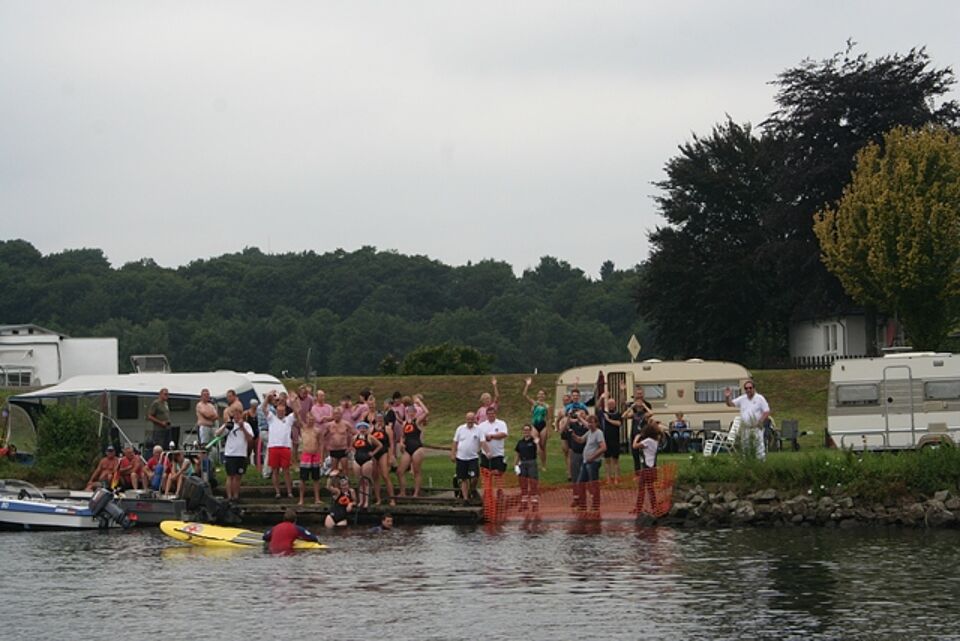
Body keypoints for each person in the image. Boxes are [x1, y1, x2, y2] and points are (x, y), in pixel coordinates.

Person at [725, 380, 771, 460]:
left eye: (750, 388)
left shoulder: (760, 398)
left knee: (758, 448)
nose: (748, 390)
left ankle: (760, 463)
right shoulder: (742, 399)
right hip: (745, 428)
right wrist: (727, 397)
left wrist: (760, 421)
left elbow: (766, 411)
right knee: (745, 448)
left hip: (756, 428)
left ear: (754, 388)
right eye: (746, 388)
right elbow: (730, 404)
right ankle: (747, 464)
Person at [215, 409, 254, 501]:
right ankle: (229, 497)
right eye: (234, 415)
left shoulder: (246, 425)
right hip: (230, 454)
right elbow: (217, 434)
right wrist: (225, 425)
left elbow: (250, 438)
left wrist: (243, 428)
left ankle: (236, 496)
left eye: (238, 415)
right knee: (230, 476)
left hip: (241, 454)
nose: (236, 417)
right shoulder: (229, 425)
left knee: (238, 476)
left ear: (241, 415)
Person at [265, 392, 296, 500]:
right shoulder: (271, 418)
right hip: (273, 447)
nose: (280, 413)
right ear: (276, 411)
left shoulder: (289, 419)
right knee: (275, 470)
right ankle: (277, 492)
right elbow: (264, 409)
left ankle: (289, 492)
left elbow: (297, 412)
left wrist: (293, 402)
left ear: (285, 411)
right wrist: (267, 398)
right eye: (279, 411)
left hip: (285, 447)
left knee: (286, 471)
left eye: (282, 411)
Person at [571, 414, 606, 511]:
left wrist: (593, 457)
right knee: (580, 483)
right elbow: (581, 440)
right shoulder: (589, 432)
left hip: (593, 462)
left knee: (593, 484)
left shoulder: (598, 433)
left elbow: (603, 447)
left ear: (596, 423)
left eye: (592, 422)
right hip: (586, 461)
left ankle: (595, 506)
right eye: (589, 422)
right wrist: (573, 435)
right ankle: (582, 505)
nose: (590, 424)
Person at [451, 411, 483, 503]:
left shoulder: (478, 429)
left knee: (474, 477)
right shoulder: (460, 429)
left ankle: (472, 489)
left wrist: (482, 450)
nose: (470, 421)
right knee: (463, 478)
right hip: (461, 457)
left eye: (472, 419)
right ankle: (465, 498)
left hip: (473, 457)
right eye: (468, 419)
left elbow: (482, 441)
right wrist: (453, 453)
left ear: (474, 419)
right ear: (466, 419)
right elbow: (455, 442)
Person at [397, 401, 427, 497]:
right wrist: (401, 443)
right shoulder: (404, 423)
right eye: (409, 412)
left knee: (416, 471)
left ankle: (416, 493)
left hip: (417, 447)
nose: (411, 413)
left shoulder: (417, 421)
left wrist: (419, 402)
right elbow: (402, 436)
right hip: (407, 448)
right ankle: (403, 492)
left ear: (415, 412)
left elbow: (426, 412)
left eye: (412, 412)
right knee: (400, 471)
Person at [351, 421, 382, 508]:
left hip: (367, 460)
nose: (362, 430)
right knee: (360, 481)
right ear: (358, 429)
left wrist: (373, 453)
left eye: (364, 428)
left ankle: (366, 500)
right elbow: (351, 446)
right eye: (361, 428)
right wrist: (354, 453)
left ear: (367, 429)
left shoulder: (370, 437)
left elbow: (380, 445)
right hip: (357, 459)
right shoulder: (355, 437)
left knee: (366, 481)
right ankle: (361, 500)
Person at [522, 377, 551, 471]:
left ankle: (544, 465)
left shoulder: (547, 406)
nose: (541, 395)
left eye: (542, 394)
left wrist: (549, 430)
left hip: (543, 426)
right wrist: (527, 384)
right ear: (537, 395)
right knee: (536, 443)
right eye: (539, 394)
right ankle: (535, 463)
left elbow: (549, 419)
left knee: (543, 446)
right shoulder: (534, 403)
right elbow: (524, 395)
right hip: (534, 425)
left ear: (545, 396)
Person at [632, 419, 660, 513]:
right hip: (652, 467)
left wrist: (636, 437)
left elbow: (634, 446)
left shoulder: (648, 441)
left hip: (647, 467)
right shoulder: (655, 441)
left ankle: (639, 507)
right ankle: (654, 506)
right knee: (650, 488)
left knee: (642, 488)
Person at [623, 388, 653, 474]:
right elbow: (624, 408)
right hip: (634, 434)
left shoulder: (647, 406)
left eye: (641, 393)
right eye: (638, 394)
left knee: (645, 455)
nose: (639, 395)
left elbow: (651, 413)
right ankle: (637, 474)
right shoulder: (634, 410)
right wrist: (622, 391)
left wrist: (644, 405)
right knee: (635, 454)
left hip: (644, 434)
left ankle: (646, 472)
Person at [324, 406, 356, 478]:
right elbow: (323, 436)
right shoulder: (329, 425)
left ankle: (345, 482)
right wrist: (326, 445)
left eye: (338, 414)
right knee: (334, 470)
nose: (336, 415)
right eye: (335, 414)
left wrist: (350, 446)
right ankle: (335, 483)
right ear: (333, 415)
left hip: (343, 449)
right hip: (333, 449)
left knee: (345, 469)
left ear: (341, 415)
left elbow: (355, 434)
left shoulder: (346, 424)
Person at [513, 424, 540, 511]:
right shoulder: (520, 442)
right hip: (522, 463)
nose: (526, 432)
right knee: (523, 483)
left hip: (531, 462)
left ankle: (534, 503)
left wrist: (537, 443)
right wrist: (515, 465)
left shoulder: (533, 441)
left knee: (533, 483)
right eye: (524, 430)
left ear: (530, 431)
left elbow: (539, 452)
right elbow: (517, 454)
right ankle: (524, 503)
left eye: (528, 430)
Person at [370, 412, 395, 506]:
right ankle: (378, 499)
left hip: (384, 452)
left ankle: (392, 499)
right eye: (378, 418)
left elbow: (391, 444)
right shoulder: (371, 429)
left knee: (385, 475)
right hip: (374, 452)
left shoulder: (387, 429)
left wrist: (391, 456)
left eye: (381, 418)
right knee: (375, 476)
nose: (379, 419)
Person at [598, 394, 623, 484]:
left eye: (612, 404)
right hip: (605, 440)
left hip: (615, 440)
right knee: (607, 460)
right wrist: (601, 398)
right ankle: (608, 478)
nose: (611, 405)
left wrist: (608, 420)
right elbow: (597, 407)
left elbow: (619, 423)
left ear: (615, 404)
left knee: (615, 460)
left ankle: (616, 478)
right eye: (609, 404)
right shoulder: (603, 413)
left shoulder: (617, 413)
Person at [479, 405, 509, 476]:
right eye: (489, 414)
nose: (491, 415)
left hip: (498, 454)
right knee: (485, 474)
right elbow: (479, 438)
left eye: (492, 413)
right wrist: (485, 437)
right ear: (486, 415)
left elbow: (504, 434)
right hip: (485, 454)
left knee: (498, 474)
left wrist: (492, 436)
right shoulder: (481, 425)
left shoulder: (501, 423)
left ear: (495, 414)